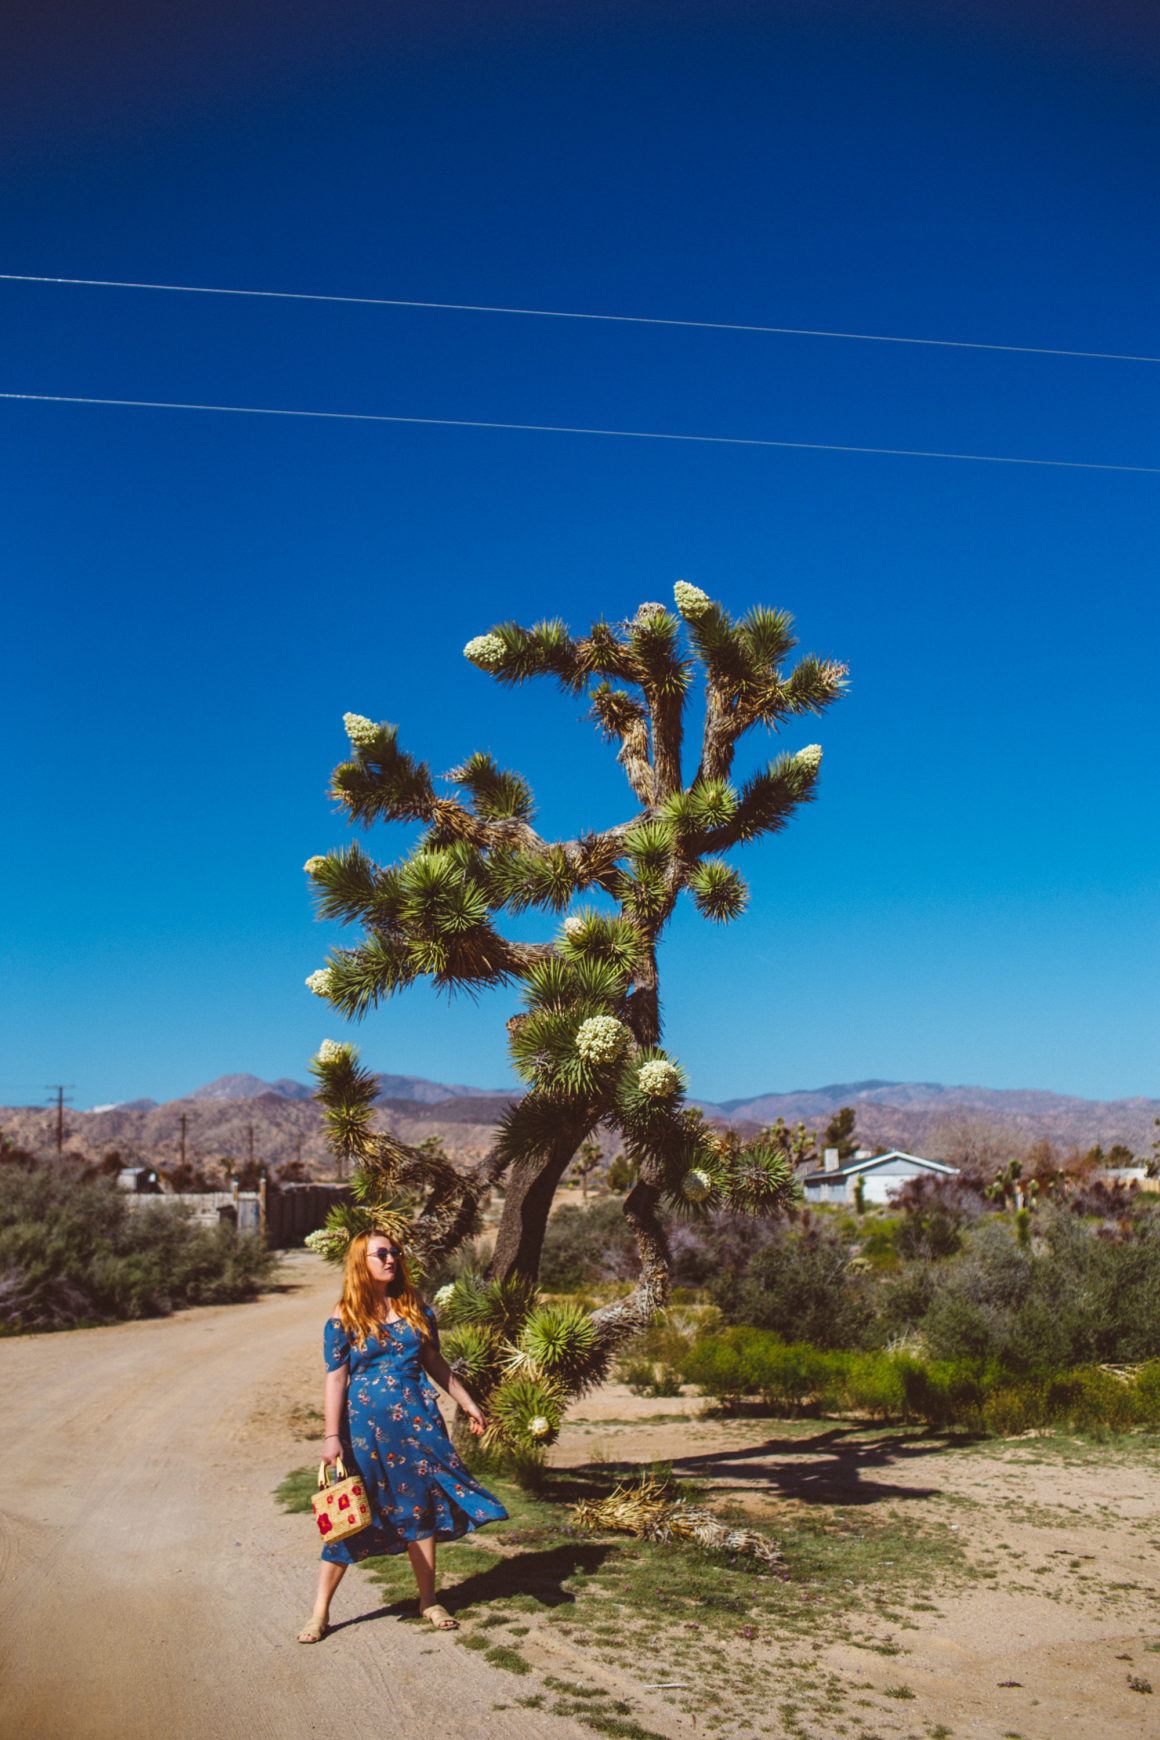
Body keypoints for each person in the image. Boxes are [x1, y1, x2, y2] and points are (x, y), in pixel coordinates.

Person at [297, 1230, 509, 1642]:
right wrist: (330, 1436)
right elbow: (335, 1377)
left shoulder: (417, 1311)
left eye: (395, 1252)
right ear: (362, 1261)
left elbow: (436, 1362)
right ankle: (319, 1613)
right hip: (363, 1433)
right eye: (382, 1253)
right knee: (350, 1516)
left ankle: (428, 1600)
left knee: (419, 1509)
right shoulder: (344, 1316)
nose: (391, 1259)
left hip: (417, 1425)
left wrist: (468, 1402)